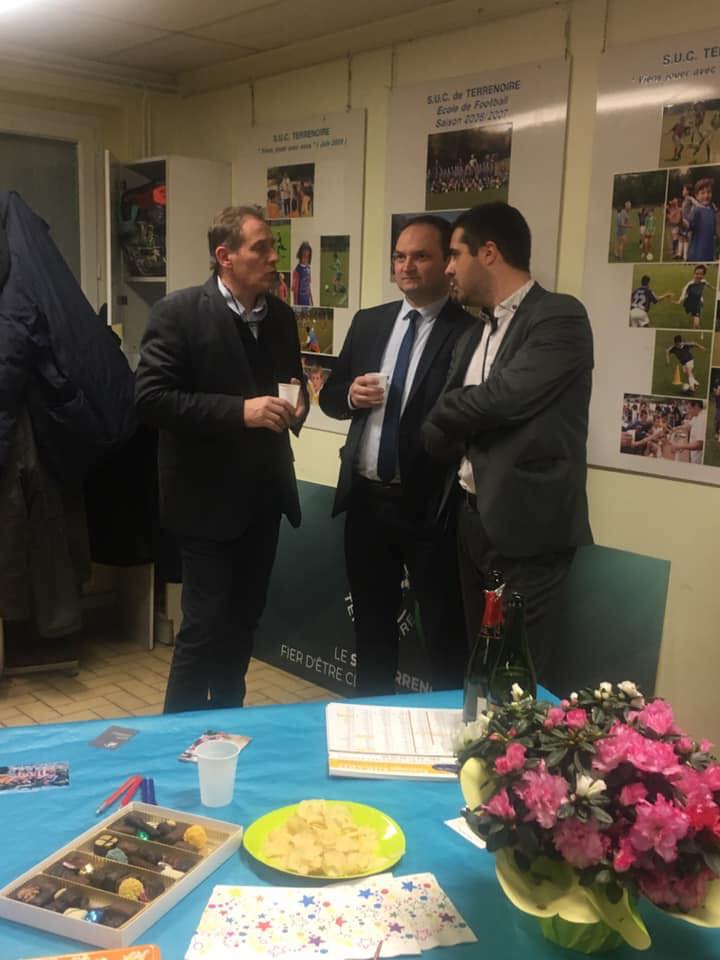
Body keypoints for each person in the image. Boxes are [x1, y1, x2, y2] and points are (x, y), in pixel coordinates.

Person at [135, 206, 307, 712]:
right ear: (224, 256)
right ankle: (176, 737)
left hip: (265, 500)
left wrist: (298, 405)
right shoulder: (179, 313)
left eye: (274, 247)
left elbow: (291, 383)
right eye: (261, 248)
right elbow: (151, 399)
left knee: (243, 624)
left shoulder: (281, 318)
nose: (274, 258)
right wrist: (240, 412)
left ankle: (228, 725)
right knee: (204, 627)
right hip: (204, 504)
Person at [422, 202, 594, 680]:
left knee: (517, 676)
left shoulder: (559, 317)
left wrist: (452, 409)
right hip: (470, 519)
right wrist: (456, 411)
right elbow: (436, 424)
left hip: (527, 530)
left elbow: (503, 399)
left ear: (489, 252)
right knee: (478, 666)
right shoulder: (473, 333)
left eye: (455, 255)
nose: (448, 268)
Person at [320, 215, 474, 695]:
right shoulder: (370, 322)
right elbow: (329, 398)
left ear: (446, 263)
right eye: (399, 256)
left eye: (420, 256)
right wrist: (351, 396)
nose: (406, 266)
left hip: (430, 509)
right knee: (371, 629)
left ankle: (450, 727)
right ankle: (371, 721)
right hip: (366, 501)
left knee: (444, 634)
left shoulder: (469, 331)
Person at [687, 178, 717, 262]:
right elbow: (688, 224)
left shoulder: (712, 211)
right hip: (696, 256)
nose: (706, 195)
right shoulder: (696, 211)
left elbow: (714, 234)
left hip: (709, 257)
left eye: (709, 192)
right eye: (702, 193)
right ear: (696, 196)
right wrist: (680, 222)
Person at [672, 399, 706, 464]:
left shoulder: (702, 419)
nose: (688, 411)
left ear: (696, 406)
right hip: (694, 456)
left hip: (698, 460)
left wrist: (680, 446)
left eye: (689, 408)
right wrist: (676, 428)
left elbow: (700, 445)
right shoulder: (697, 416)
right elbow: (689, 425)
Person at [678, 264, 711, 329]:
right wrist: (680, 299)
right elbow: (684, 290)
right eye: (697, 274)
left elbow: (707, 284)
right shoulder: (690, 284)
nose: (698, 276)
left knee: (696, 324)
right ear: (694, 274)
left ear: (703, 275)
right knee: (693, 315)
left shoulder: (703, 281)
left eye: (701, 274)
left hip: (698, 303)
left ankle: (696, 327)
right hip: (690, 302)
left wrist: (714, 288)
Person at [292, 241, 313, 306]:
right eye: (304, 256)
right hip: (300, 301)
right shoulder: (297, 271)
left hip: (307, 300)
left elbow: (308, 286)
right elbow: (295, 291)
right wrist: (296, 305)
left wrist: (311, 300)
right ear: (300, 256)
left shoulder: (308, 268)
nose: (305, 259)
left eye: (307, 257)